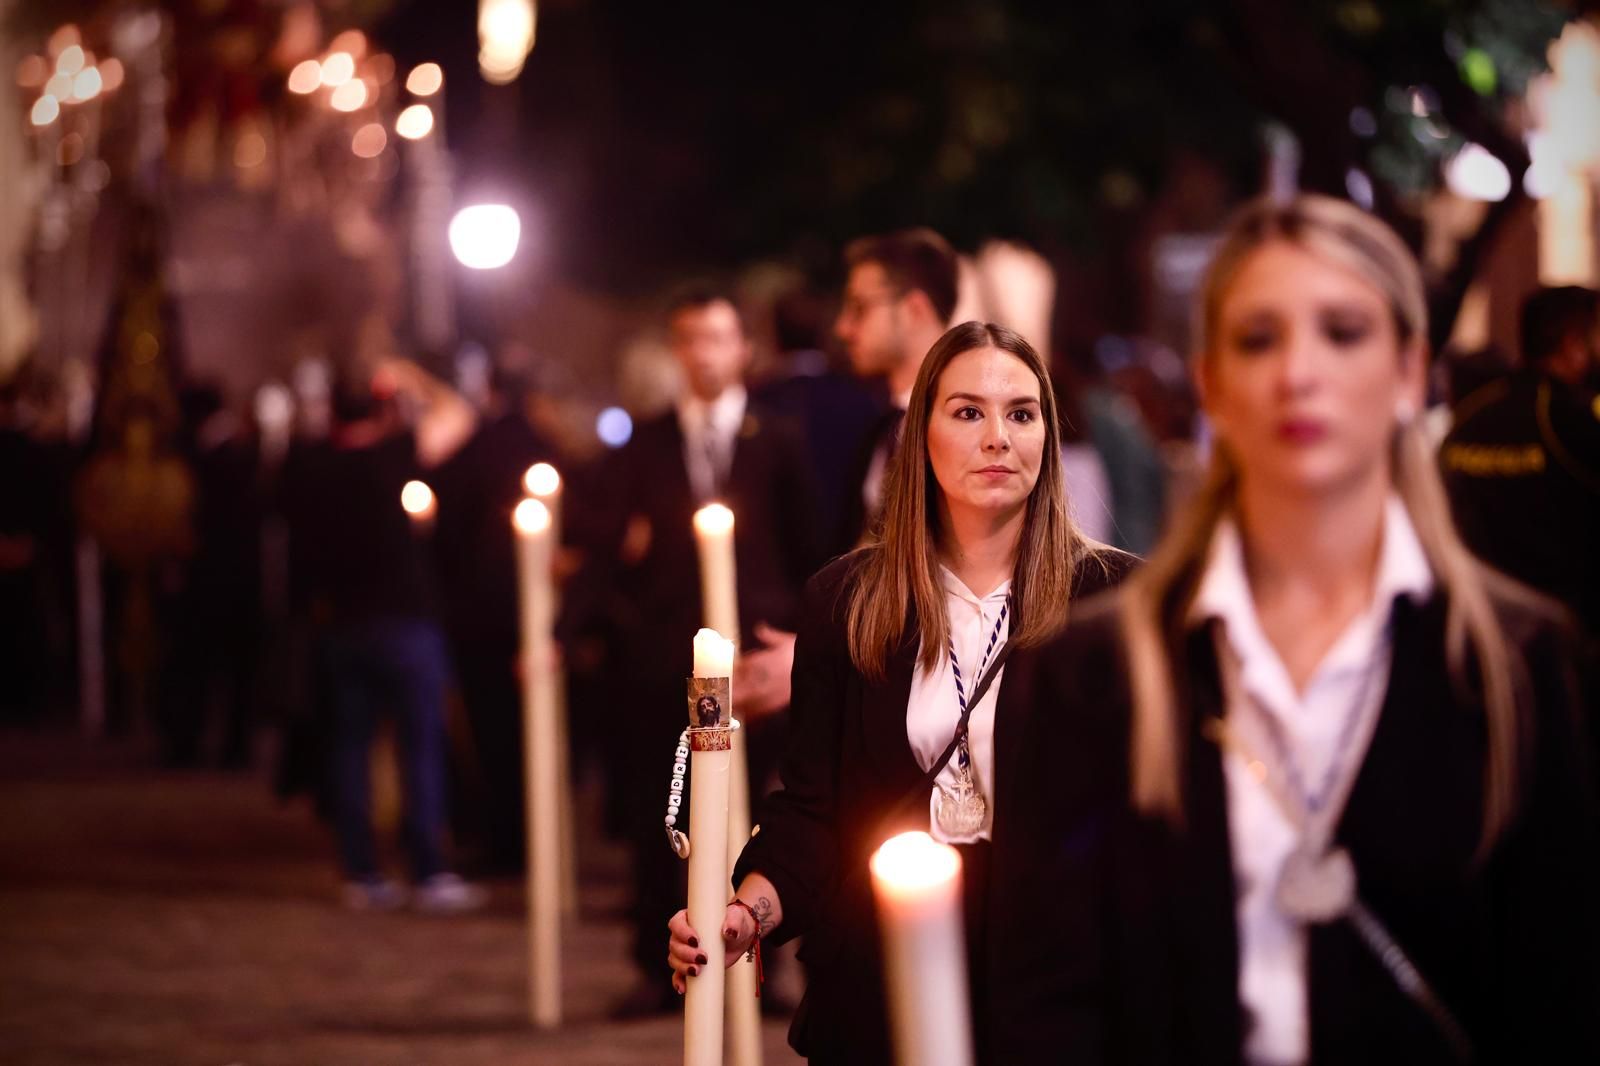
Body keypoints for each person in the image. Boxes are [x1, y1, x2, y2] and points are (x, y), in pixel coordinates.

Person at [1002, 195, 1599, 1064]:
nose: (1298, 373)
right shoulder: (1098, 673)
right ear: (1210, 384)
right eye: (1258, 339)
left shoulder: (1518, 664)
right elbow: (1047, 1008)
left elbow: (1562, 997)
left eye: (1343, 331)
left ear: (1408, 372)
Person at [666, 321, 1134, 1063]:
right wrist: (743, 912)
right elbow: (814, 812)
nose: (997, 438)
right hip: (879, 970)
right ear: (921, 435)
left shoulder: (1115, 603)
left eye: (1021, 413)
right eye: (967, 411)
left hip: (1055, 981)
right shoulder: (847, 600)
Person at [590, 288, 826, 1016]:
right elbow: (609, 547)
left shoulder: (776, 437)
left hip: (755, 657)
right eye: (690, 338)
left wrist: (799, 637)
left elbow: (807, 546)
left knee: (763, 807)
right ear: (677, 350)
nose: (704, 352)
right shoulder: (648, 441)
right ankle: (659, 961)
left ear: (741, 349)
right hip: (668, 654)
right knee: (665, 809)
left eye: (718, 337)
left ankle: (763, 963)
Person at [282, 360, 485, 914]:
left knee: (350, 748)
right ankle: (426, 867)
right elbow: (459, 415)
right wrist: (412, 375)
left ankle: (361, 869)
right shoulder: (393, 455)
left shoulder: (311, 463)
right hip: (405, 624)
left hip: (340, 623)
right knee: (421, 747)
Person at [735, 229, 962, 722]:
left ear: (915, 308)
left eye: (860, 307)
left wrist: (812, 656)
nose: (842, 328)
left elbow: (939, 589)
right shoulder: (882, 427)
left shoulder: (956, 436)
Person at [1441, 285, 1600, 635]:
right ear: (1573, 345)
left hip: (1476, 624)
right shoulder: (1570, 418)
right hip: (1568, 634)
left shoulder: (1469, 414)